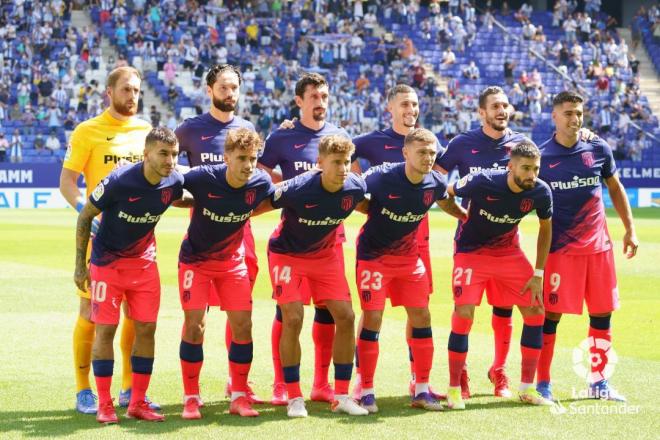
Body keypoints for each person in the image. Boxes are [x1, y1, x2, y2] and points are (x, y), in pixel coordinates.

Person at [436, 86, 594, 399]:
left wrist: (582, 133)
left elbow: (552, 152)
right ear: (481, 111)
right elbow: (438, 183)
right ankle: (461, 377)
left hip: (509, 245)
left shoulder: (523, 145)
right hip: (471, 243)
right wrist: (462, 215)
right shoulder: (462, 143)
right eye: (494, 106)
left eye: (505, 106)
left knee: (508, 310)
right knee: (465, 311)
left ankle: (500, 372)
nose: (501, 111)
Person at [59, 66, 155, 414]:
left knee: (136, 312)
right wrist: (89, 212)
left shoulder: (146, 131)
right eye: (126, 90)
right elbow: (67, 182)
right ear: (109, 93)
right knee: (90, 310)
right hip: (99, 239)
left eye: (137, 91)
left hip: (138, 239)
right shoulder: (88, 131)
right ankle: (84, 390)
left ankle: (130, 389)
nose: (132, 97)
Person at [74, 127, 184, 423]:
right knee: (105, 331)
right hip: (107, 265)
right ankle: (106, 404)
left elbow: (193, 192)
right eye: (163, 153)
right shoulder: (119, 181)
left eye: (174, 154)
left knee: (146, 330)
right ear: (146, 154)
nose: (170, 160)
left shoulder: (174, 182)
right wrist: (79, 266)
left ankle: (137, 401)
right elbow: (85, 216)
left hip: (145, 266)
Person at [353, 128, 466, 413]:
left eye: (432, 153)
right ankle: (365, 390)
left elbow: (445, 201)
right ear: (405, 153)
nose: (428, 158)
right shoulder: (380, 176)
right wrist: (369, 209)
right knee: (373, 318)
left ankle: (422, 390)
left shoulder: (435, 182)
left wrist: (465, 216)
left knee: (422, 315)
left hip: (409, 260)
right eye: (422, 152)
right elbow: (354, 194)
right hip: (373, 256)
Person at [535, 91, 638, 402]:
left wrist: (630, 229)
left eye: (578, 112)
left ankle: (599, 382)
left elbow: (615, 188)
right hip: (562, 251)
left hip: (599, 249)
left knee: (603, 314)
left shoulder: (597, 148)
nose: (575, 119)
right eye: (567, 113)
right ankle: (542, 383)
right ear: (554, 116)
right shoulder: (543, 157)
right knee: (551, 316)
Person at [258, 135, 368, 418]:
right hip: (287, 255)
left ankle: (342, 395)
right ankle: (294, 397)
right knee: (293, 317)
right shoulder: (297, 187)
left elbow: (370, 206)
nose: (343, 168)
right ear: (320, 163)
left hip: (325, 256)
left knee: (345, 316)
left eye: (346, 162)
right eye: (336, 163)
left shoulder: (355, 187)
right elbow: (258, 205)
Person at [258, 72, 350, 405]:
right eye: (314, 97)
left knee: (327, 312)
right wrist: (289, 187)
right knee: (288, 313)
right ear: (299, 101)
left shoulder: (338, 136)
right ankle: (282, 383)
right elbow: (264, 178)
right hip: (294, 238)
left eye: (324, 96)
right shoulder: (282, 137)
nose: (320, 103)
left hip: (331, 239)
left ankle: (322, 383)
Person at [350, 84, 445, 400]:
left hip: (417, 240)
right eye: (405, 104)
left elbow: (440, 184)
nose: (411, 110)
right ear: (390, 108)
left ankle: (417, 381)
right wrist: (357, 186)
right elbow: (340, 150)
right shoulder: (373, 142)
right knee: (371, 311)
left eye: (415, 105)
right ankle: (362, 380)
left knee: (419, 309)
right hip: (380, 241)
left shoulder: (428, 141)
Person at [175, 64, 263, 404]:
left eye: (235, 88)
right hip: (204, 230)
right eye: (224, 88)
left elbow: (256, 180)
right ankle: (191, 391)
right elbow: (170, 168)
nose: (230, 94)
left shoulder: (246, 128)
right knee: (198, 316)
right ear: (209, 90)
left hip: (242, 235)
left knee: (239, 309)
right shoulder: (191, 129)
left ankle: (235, 382)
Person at [444, 141, 554, 410]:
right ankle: (455, 388)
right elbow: (446, 192)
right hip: (471, 253)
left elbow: (545, 229)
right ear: (510, 167)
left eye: (535, 169)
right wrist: (461, 214)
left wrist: (538, 273)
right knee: (464, 314)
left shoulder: (540, 191)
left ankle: (527, 388)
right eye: (526, 168)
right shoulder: (482, 180)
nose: (532, 175)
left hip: (508, 253)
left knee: (536, 311)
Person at [177, 128, 276, 419]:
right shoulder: (203, 177)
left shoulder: (260, 181)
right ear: (226, 157)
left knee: (243, 326)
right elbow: (171, 178)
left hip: (232, 263)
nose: (248, 165)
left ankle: (239, 395)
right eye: (241, 158)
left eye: (253, 158)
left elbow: (275, 199)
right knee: (196, 326)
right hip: (195, 261)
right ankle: (191, 397)